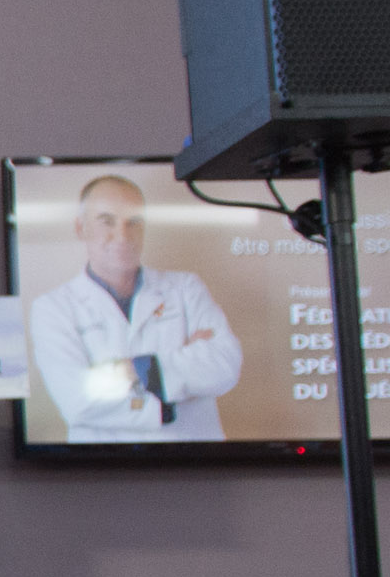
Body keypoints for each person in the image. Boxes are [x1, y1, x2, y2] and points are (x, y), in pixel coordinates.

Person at [31, 173, 241, 441]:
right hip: (103, 471)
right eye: (107, 221)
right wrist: (176, 386)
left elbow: (225, 365)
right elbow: (77, 401)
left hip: (195, 466)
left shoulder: (186, 287)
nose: (122, 235)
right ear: (80, 228)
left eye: (134, 222)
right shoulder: (52, 308)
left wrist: (138, 368)